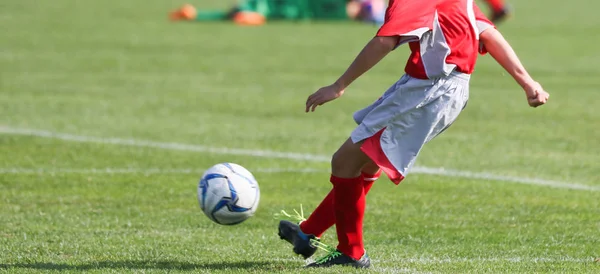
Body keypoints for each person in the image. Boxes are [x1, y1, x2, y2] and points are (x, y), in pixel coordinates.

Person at [277, 0, 549, 268]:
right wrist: (528, 82)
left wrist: (338, 86)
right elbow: (488, 34)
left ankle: (351, 253)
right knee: (368, 160)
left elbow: (385, 41)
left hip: (430, 91)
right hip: (434, 87)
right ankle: (308, 233)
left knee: (344, 162)